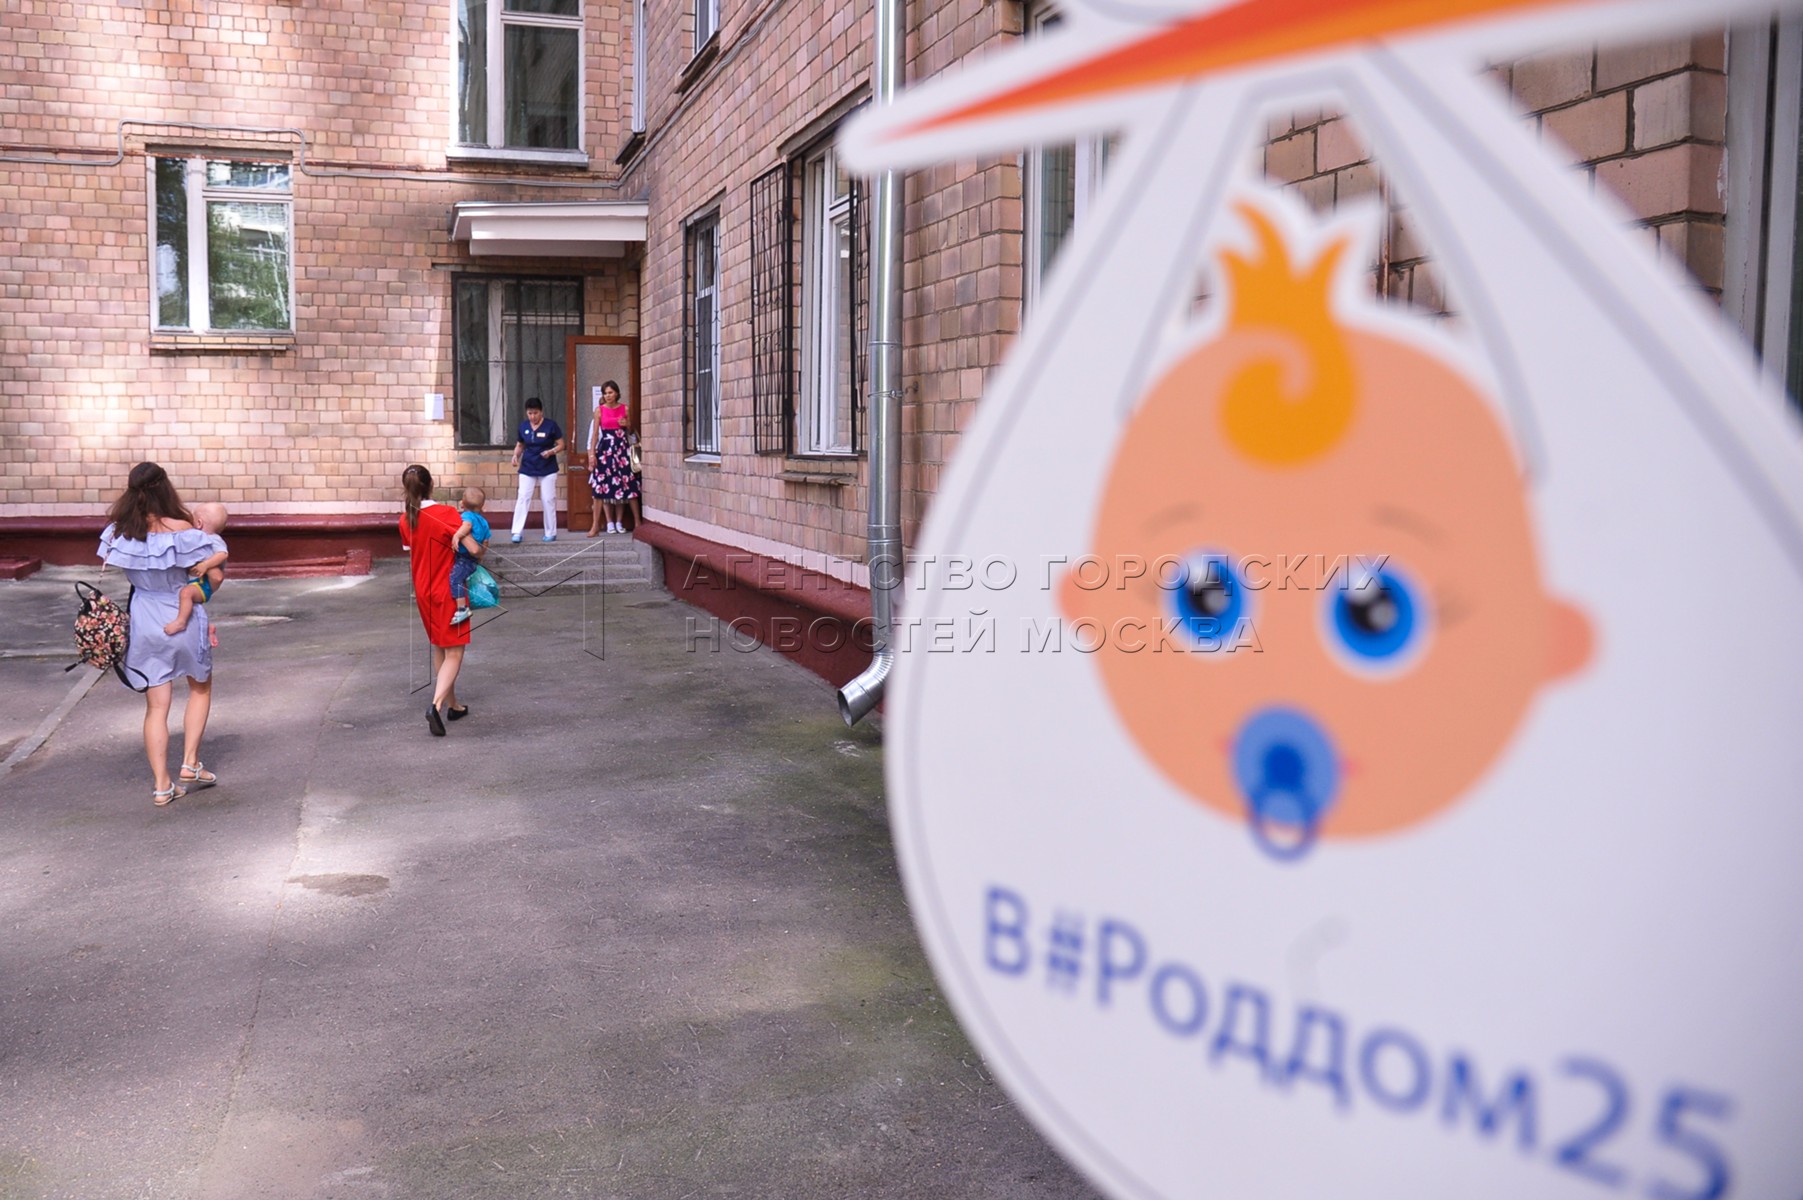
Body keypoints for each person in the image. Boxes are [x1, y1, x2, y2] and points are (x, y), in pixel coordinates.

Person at [98, 462, 228, 806]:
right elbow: (213, 574)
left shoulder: (120, 532)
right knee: (200, 688)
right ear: (165, 488)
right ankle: (190, 762)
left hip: (144, 619)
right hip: (182, 615)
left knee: (156, 706)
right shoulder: (183, 528)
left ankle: (161, 785)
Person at [400, 464, 481, 736]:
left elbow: (413, 551)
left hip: (423, 590)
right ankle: (435, 706)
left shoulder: (405, 519)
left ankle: (453, 705)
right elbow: (473, 548)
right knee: (455, 651)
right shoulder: (446, 514)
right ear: (431, 485)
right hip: (448, 590)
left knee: (440, 646)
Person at [163, 502, 229, 636]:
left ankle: (181, 622)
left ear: (199, 523)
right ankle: (205, 626)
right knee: (182, 597)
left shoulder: (212, 539)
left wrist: (206, 565)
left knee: (186, 594)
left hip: (204, 584)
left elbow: (223, 554)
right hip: (197, 580)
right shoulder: (200, 539)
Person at [585, 380, 642, 536]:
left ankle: (638, 522)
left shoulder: (625, 408)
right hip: (605, 450)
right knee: (599, 486)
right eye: (605, 393)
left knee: (629, 483)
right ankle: (595, 525)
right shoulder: (599, 410)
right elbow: (595, 434)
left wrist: (627, 424)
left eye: (610, 392)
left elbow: (631, 432)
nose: (608, 396)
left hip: (622, 449)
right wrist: (592, 454)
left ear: (616, 393)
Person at [510, 397, 564, 543]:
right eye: (530, 413)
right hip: (528, 466)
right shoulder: (523, 426)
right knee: (523, 497)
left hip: (547, 467)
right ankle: (517, 532)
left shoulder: (551, 425)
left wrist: (551, 452)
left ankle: (551, 532)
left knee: (548, 499)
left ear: (541, 412)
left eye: (535, 413)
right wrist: (515, 455)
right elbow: (520, 445)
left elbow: (561, 444)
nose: (533, 416)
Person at [448, 487, 490, 625]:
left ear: (462, 503)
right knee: (462, 579)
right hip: (473, 560)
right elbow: (486, 541)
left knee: (455, 579)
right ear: (482, 505)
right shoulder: (484, 522)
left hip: (464, 558)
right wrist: (481, 556)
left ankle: (462, 609)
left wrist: (457, 535)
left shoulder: (466, 516)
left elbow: (466, 525)